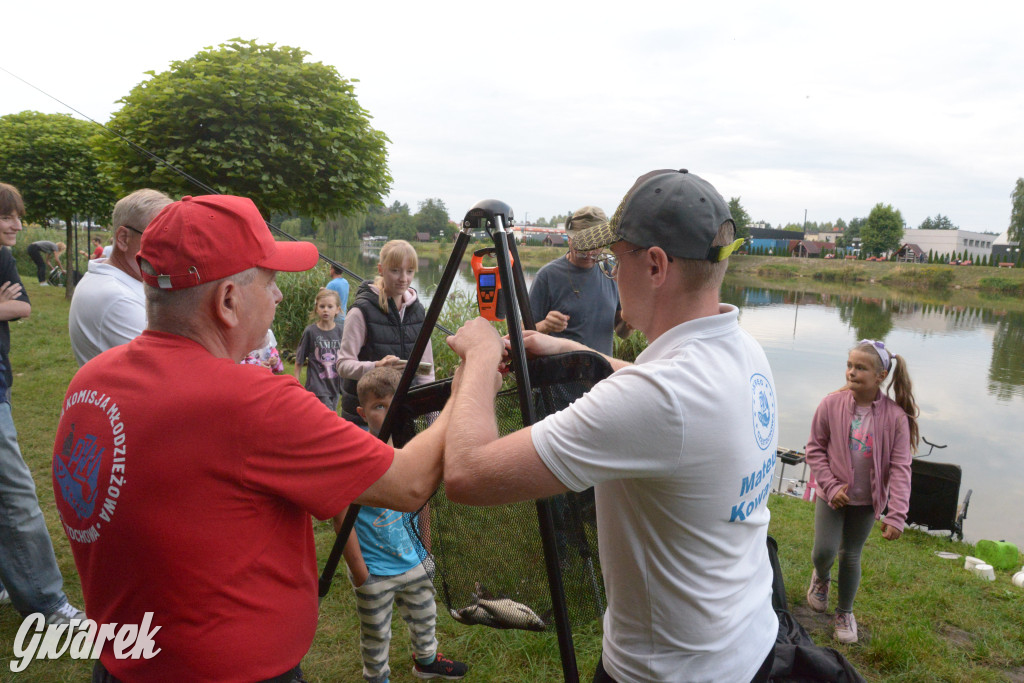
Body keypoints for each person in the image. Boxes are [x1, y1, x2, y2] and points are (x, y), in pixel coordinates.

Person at [52, 195, 453, 682]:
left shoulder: (89, 383)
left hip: (121, 665)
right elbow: (410, 483)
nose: (280, 297)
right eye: (270, 281)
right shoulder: (254, 402)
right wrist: (472, 375)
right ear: (227, 300)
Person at [444, 169, 777, 683]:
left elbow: (467, 473)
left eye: (613, 259)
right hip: (746, 641)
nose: (609, 272)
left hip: (664, 671)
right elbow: (659, 394)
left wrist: (482, 355)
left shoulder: (658, 398)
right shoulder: (741, 350)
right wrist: (573, 349)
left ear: (655, 265)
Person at [340, 367, 468, 683]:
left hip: (414, 561)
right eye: (378, 406)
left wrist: (425, 550)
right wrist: (360, 571)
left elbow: (422, 498)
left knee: (426, 618)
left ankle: (425, 660)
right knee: (375, 633)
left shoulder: (413, 451)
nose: (388, 412)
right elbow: (341, 512)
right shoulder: (356, 457)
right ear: (362, 412)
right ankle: (376, 676)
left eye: (394, 403)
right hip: (376, 571)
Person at [0, 183, 86, 626]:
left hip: (2, 380)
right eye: (6, 217)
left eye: (17, 216)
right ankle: (46, 603)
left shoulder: (4, 257)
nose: (16, 224)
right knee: (15, 494)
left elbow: (23, 309)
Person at [804, 339, 916, 645]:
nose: (851, 372)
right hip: (832, 495)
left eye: (861, 367)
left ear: (880, 376)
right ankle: (821, 577)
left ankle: (844, 612)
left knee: (850, 555)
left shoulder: (895, 418)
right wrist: (829, 484)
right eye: (849, 365)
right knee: (824, 552)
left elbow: (901, 468)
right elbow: (814, 450)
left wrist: (897, 514)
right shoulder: (830, 404)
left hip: (867, 502)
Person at [68, 189, 173, 365]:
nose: (172, 250)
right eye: (160, 239)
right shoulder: (118, 299)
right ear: (124, 238)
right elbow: (167, 368)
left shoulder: (116, 280)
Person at [337, 239, 435, 427]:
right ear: (381, 269)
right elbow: (343, 365)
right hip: (364, 419)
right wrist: (376, 367)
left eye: (409, 271)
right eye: (395, 270)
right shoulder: (361, 311)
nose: (403, 278)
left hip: (403, 416)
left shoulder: (418, 313)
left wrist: (433, 421)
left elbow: (426, 373)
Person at [529, 205, 627, 355]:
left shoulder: (611, 271)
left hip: (603, 376)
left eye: (596, 247)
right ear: (569, 239)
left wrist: (631, 322)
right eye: (582, 247)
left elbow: (621, 331)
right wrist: (545, 326)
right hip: (561, 376)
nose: (589, 253)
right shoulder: (547, 276)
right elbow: (522, 333)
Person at [294, 287, 345, 410]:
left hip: (335, 384)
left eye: (330, 306)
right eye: (322, 306)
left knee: (327, 417)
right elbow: (300, 358)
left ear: (337, 309)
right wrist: (296, 381)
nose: (325, 310)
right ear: (316, 309)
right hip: (317, 385)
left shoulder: (341, 330)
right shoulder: (311, 331)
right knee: (328, 416)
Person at [326, 262, 350, 327]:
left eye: (330, 269)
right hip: (343, 317)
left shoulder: (332, 284)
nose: (329, 271)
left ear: (333, 270)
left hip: (334, 318)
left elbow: (325, 301)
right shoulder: (345, 282)